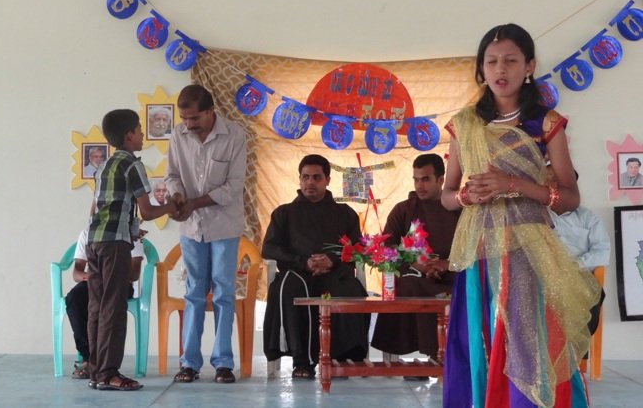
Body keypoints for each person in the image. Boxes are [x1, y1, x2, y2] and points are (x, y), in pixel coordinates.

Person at [440, 24, 600, 407]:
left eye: (511, 60)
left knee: (529, 346)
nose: (501, 69)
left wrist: (513, 184)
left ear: (529, 66)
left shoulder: (546, 123)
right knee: (479, 341)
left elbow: (569, 197)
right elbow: (447, 196)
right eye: (491, 61)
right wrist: (467, 196)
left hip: (530, 254)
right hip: (480, 253)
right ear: (481, 69)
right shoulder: (465, 125)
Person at [86, 109, 176, 391]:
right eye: (139, 129)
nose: (142, 134)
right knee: (114, 307)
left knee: (97, 307)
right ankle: (109, 373)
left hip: (95, 241)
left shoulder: (103, 167)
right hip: (115, 245)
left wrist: (130, 228)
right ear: (129, 135)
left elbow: (99, 209)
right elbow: (147, 211)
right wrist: (171, 207)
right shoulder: (132, 166)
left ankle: (96, 371)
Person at [165, 84, 247, 384]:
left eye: (194, 118)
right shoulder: (178, 135)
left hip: (224, 226)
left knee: (224, 293)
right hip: (191, 228)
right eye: (184, 118)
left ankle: (223, 362)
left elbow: (233, 187)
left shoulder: (235, 135)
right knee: (193, 293)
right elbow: (172, 176)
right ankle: (189, 363)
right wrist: (177, 197)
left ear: (211, 112)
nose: (189, 124)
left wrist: (193, 203)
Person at [261, 154, 370, 379]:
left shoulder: (345, 213)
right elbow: (269, 248)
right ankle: (301, 361)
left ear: (327, 180)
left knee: (348, 290)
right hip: (297, 273)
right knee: (290, 289)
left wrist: (332, 260)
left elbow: (358, 247)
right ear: (299, 179)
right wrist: (304, 262)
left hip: (336, 273)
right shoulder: (284, 213)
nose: (310, 182)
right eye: (305, 177)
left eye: (316, 177)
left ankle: (341, 360)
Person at [370, 153, 460, 378]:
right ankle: (431, 356)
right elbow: (386, 247)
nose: (419, 185)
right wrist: (417, 264)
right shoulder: (404, 209)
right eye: (416, 179)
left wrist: (446, 264)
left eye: (425, 179)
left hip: (453, 271)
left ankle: (443, 356)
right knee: (409, 282)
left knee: (466, 284)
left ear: (441, 180)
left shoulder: (460, 208)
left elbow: (475, 248)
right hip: (416, 272)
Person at [65, 228, 145, 379]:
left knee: (108, 302)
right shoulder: (87, 233)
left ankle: (105, 365)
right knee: (74, 299)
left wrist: (109, 274)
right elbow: (77, 273)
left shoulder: (130, 233)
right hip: (93, 281)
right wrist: (96, 276)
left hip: (120, 282)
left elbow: (134, 274)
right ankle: (89, 357)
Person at [547, 166, 610, 336]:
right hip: (546, 278)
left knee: (590, 296)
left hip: (579, 276)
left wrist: (575, 266)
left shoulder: (588, 217)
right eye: (548, 181)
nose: (552, 187)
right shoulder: (535, 216)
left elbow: (602, 251)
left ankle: (576, 348)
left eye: (558, 182)